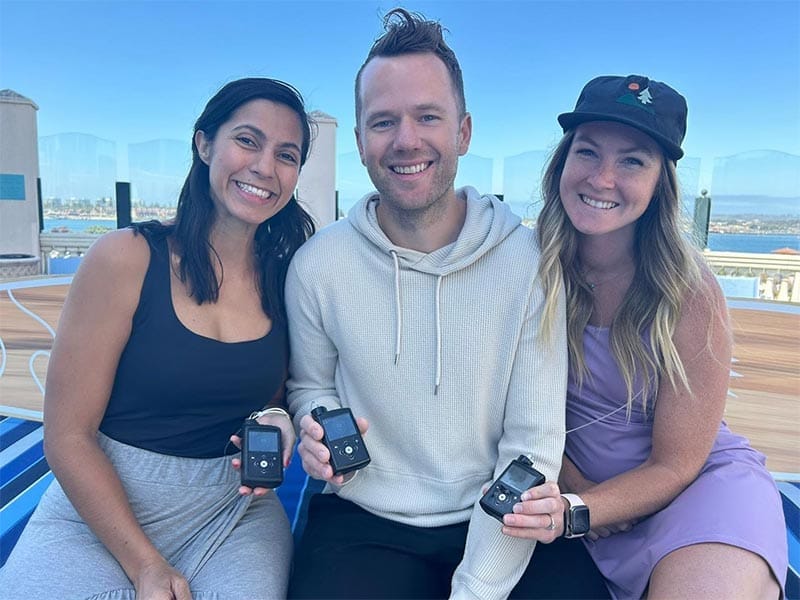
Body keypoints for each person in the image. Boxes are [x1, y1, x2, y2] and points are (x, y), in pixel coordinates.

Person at [283, 8, 608, 600]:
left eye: (427, 116)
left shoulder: (531, 261)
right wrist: (318, 428)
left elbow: (532, 444)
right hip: (365, 519)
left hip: (503, 513)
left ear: (462, 131)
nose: (406, 139)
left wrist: (477, 587)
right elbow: (310, 386)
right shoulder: (317, 266)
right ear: (359, 142)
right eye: (383, 121)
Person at [0, 77, 315, 599]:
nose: (265, 167)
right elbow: (66, 435)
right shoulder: (125, 258)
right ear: (204, 143)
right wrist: (145, 564)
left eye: (287, 154)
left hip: (231, 511)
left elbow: (275, 401)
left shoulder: (288, 275)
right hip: (102, 507)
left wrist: (277, 421)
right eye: (247, 140)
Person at [506, 74, 788, 599]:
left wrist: (581, 509)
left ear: (661, 182)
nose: (603, 178)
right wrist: (576, 488)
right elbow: (501, 406)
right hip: (569, 497)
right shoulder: (525, 267)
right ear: (562, 164)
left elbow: (677, 463)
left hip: (694, 497)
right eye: (588, 152)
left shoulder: (688, 291)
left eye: (633, 160)